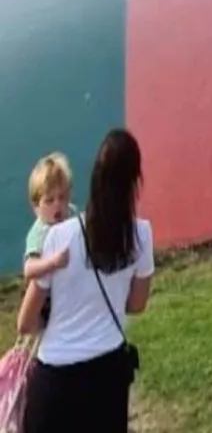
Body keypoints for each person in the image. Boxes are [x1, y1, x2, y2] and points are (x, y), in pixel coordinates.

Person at [16, 130, 154, 433]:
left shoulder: (58, 236)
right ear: (135, 180)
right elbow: (137, 303)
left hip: (55, 383)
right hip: (108, 379)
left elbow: (25, 322)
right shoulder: (141, 234)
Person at [22, 154, 74, 287]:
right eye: (49, 200)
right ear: (36, 207)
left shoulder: (71, 213)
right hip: (46, 299)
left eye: (62, 197)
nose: (57, 204)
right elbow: (29, 268)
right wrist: (52, 262)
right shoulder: (39, 232)